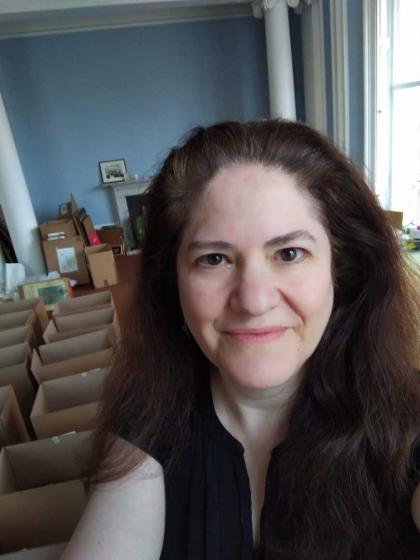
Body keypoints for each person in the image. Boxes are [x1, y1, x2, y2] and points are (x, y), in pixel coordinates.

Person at [61, 120, 420, 560]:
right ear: (171, 282)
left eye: (289, 254)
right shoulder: (147, 419)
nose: (253, 300)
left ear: (340, 271)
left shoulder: (411, 417)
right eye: (214, 259)